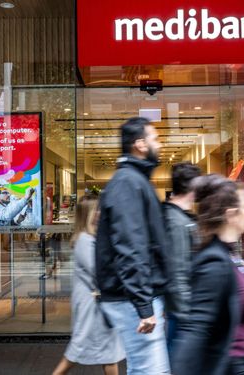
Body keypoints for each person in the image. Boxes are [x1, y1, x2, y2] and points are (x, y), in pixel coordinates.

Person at [95, 117, 170, 375]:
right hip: (131, 298)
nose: (159, 144)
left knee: (147, 369)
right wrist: (144, 306)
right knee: (150, 371)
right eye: (155, 138)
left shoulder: (134, 181)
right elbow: (131, 246)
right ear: (139, 144)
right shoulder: (128, 183)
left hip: (135, 295)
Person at [172, 174, 244, 375]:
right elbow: (196, 329)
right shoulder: (215, 262)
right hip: (230, 366)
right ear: (231, 214)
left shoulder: (228, 255)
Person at [52, 194, 125, 375]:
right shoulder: (84, 240)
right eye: (97, 210)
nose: (100, 213)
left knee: (107, 350)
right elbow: (99, 271)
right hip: (90, 303)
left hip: (95, 301)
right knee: (83, 348)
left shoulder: (91, 237)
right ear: (89, 214)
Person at [162, 162, 201, 353]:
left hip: (180, 306)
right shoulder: (176, 221)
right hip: (182, 308)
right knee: (177, 355)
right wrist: (186, 312)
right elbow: (177, 270)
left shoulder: (178, 217)